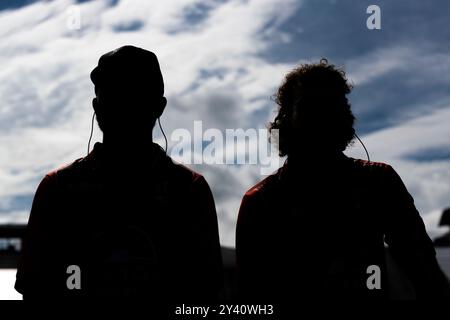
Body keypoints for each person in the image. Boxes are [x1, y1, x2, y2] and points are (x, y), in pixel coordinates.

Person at [15, 45, 223, 300]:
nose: (125, 104)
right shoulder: (189, 189)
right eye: (116, 95)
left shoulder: (190, 190)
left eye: (135, 94)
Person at [236, 60, 450, 300]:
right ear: (287, 119)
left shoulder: (379, 181)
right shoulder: (260, 201)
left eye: (332, 105)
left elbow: (423, 268)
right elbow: (251, 293)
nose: (323, 116)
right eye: (311, 106)